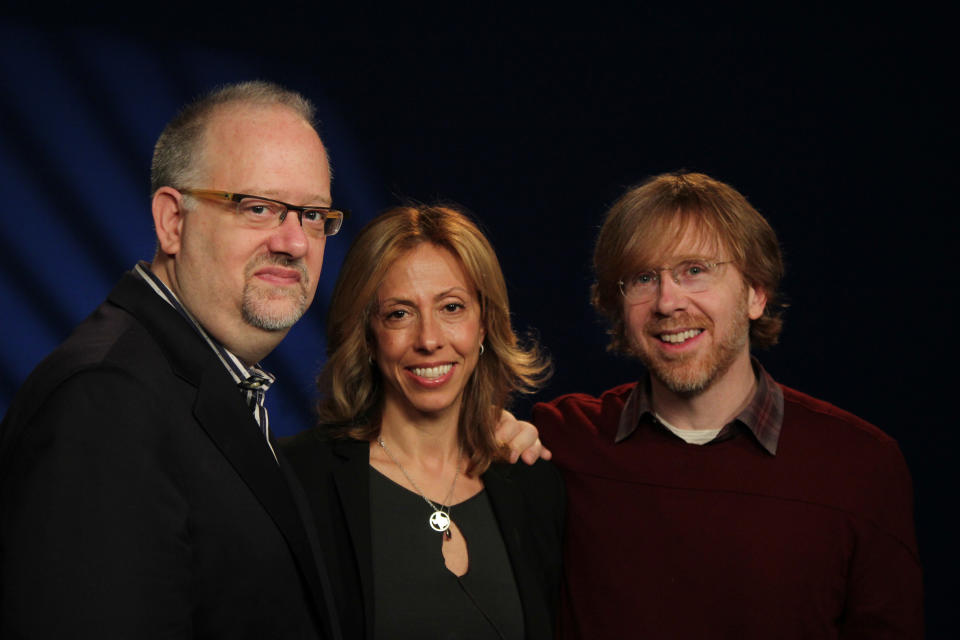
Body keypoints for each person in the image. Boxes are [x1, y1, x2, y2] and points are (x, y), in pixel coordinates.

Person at [0, 82, 544, 639]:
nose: (294, 242)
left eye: (312, 215)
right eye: (257, 207)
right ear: (172, 221)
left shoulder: (209, 386)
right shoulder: (106, 399)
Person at [533, 172, 923, 639]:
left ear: (756, 293)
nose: (667, 301)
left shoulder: (859, 465)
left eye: (694, 270)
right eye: (642, 278)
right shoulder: (561, 442)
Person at [282, 204, 564, 640]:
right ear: (368, 335)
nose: (429, 340)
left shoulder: (534, 484)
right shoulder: (299, 481)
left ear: (484, 324)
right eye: (399, 314)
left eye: (452, 307)